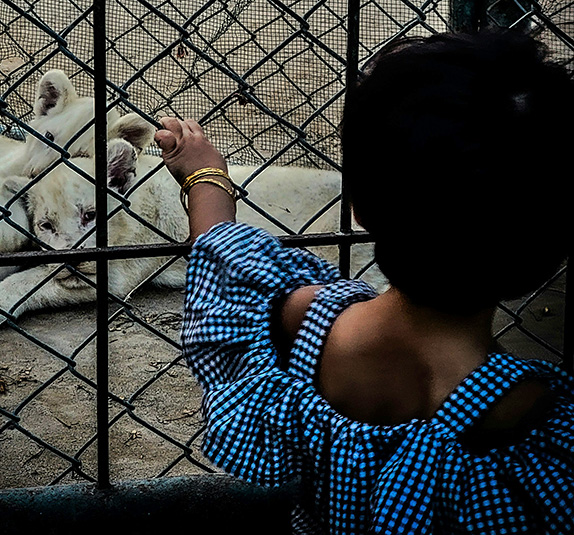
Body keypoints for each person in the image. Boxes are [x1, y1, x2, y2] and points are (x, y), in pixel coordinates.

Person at [154, 29, 574, 534]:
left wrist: (206, 177)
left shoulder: (306, 322)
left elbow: (227, 265)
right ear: (546, 256)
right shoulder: (543, 425)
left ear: (358, 203)